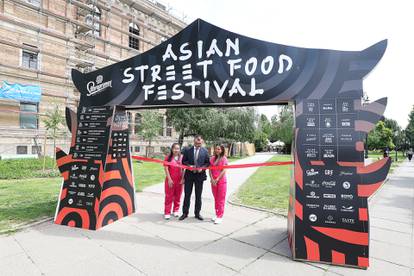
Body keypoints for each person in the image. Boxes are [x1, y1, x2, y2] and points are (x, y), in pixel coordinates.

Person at [179, 135, 210, 221]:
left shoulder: (205, 151)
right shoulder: (187, 150)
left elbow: (207, 163)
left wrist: (202, 168)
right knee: (187, 195)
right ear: (194, 141)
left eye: (200, 142)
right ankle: (185, 213)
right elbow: (183, 161)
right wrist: (189, 166)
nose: (198, 143)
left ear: (202, 142)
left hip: (199, 176)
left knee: (198, 196)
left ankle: (197, 213)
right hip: (189, 176)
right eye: (197, 142)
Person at [163, 143, 184, 220]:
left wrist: (183, 178)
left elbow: (184, 169)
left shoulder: (182, 157)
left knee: (178, 196)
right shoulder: (168, 158)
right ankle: (167, 212)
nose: (176, 150)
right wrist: (169, 179)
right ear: (172, 149)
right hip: (170, 180)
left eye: (178, 148)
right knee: (169, 196)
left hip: (179, 180)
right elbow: (166, 168)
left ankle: (176, 210)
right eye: (175, 148)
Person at [209, 145, 228, 224]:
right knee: (216, 198)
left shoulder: (224, 158)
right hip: (213, 182)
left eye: (219, 149)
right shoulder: (212, 158)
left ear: (222, 150)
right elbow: (210, 169)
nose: (217, 150)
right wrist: (212, 179)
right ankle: (217, 214)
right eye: (216, 149)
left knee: (220, 199)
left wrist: (217, 179)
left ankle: (220, 216)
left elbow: (224, 170)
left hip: (221, 181)